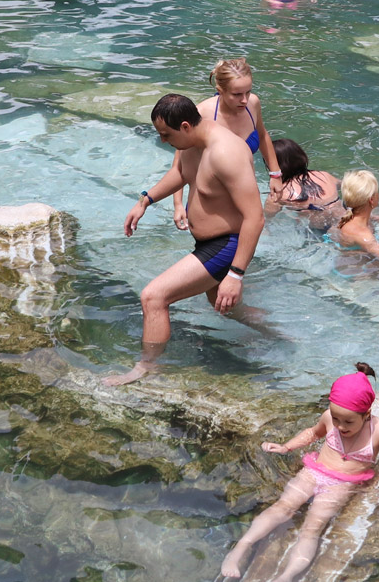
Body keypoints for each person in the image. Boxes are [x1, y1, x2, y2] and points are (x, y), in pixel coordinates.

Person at [218, 364, 379, 582]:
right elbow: (312, 434)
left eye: (349, 422)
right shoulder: (328, 417)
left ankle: (288, 575)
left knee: (312, 527)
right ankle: (239, 549)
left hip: (342, 485)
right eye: (336, 419)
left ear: (367, 415)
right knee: (282, 508)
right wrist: (286, 447)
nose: (341, 426)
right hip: (313, 472)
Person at [112, 94, 267, 385]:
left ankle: (147, 370)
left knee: (154, 296)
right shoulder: (192, 143)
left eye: (165, 135)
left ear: (184, 126)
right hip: (209, 244)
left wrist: (236, 274)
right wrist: (146, 200)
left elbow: (255, 217)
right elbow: (180, 173)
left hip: (226, 245)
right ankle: (276, 336)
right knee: (226, 307)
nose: (162, 141)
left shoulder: (226, 153)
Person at [174, 58, 283, 222]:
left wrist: (275, 174)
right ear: (220, 90)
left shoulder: (253, 104)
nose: (245, 100)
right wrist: (178, 205)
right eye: (237, 94)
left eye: (248, 92)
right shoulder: (201, 115)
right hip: (210, 204)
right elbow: (179, 163)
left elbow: (262, 135)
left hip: (244, 199)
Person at [266, 139, 342, 230]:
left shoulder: (281, 192)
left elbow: (268, 217)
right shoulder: (325, 176)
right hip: (343, 219)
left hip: (318, 230)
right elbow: (347, 187)